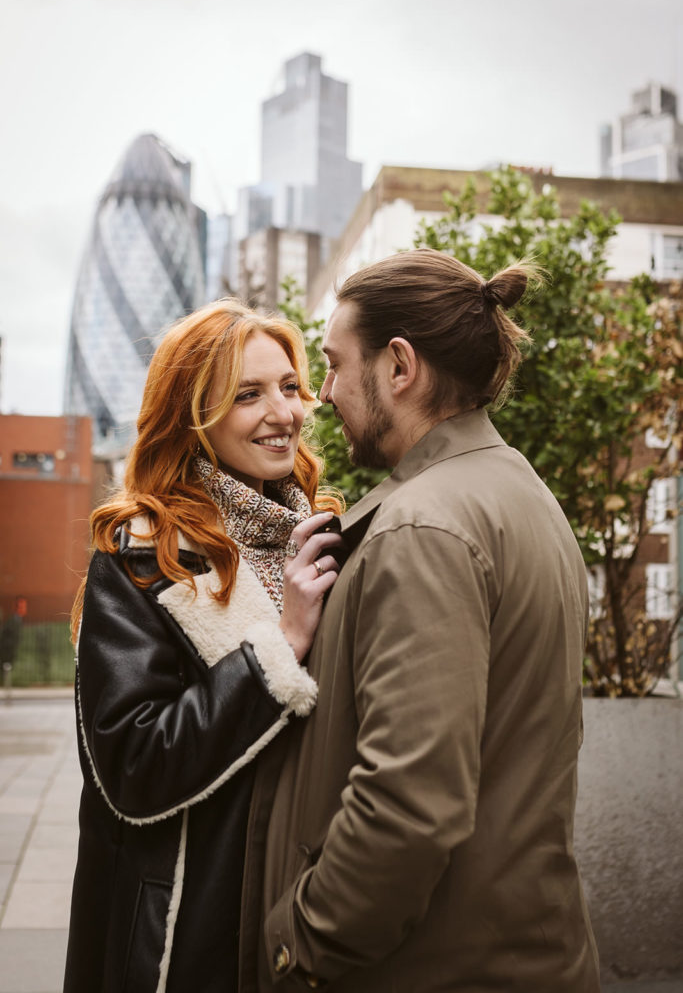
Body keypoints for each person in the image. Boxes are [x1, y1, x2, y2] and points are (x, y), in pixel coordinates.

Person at [241, 249, 600, 992]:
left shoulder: (422, 528)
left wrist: (295, 942)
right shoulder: (515, 492)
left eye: (335, 365)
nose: (323, 395)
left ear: (398, 366)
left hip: (429, 969)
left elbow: (408, 805)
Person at [63, 299, 342, 993]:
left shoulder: (316, 532)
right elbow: (131, 763)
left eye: (286, 386)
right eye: (247, 395)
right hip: (193, 926)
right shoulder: (139, 557)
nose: (281, 413)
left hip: (305, 909)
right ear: (193, 416)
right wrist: (280, 648)